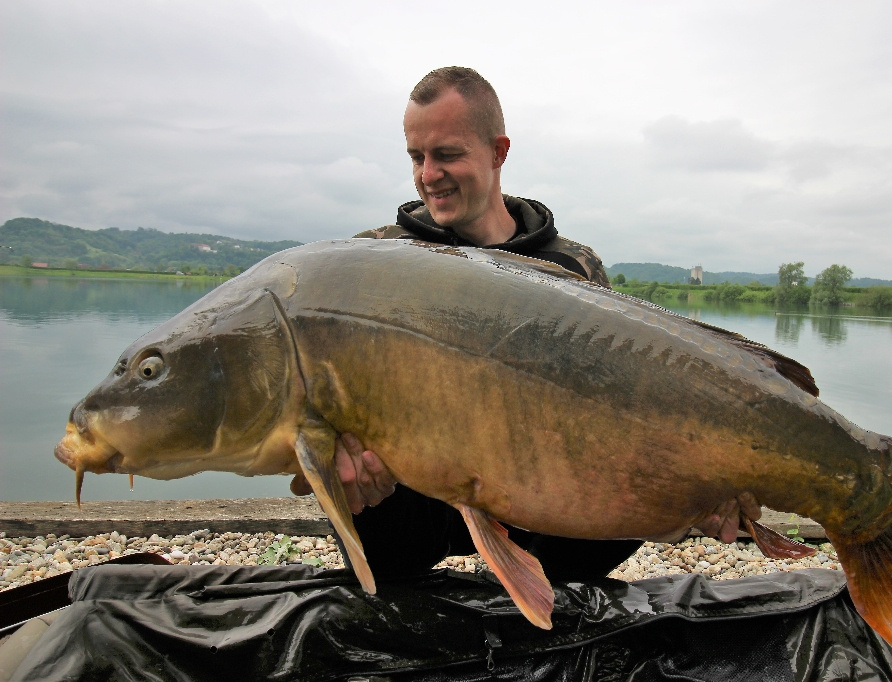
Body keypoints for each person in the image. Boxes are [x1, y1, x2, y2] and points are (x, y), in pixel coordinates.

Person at [293, 66, 759, 581]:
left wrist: (695, 482)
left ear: (498, 152)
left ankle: (544, 600)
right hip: (412, 498)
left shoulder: (573, 267)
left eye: (446, 155)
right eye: (416, 157)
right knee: (365, 514)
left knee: (637, 474)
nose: (428, 174)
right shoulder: (376, 256)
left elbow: (625, 401)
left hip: (541, 497)